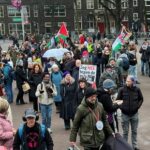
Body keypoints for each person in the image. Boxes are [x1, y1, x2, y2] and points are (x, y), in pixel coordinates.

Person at [116, 75, 143, 150]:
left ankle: (134, 146)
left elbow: (141, 99)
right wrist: (122, 108)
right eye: (126, 81)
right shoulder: (121, 90)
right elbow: (117, 101)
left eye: (128, 81)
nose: (126, 82)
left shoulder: (137, 89)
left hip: (135, 114)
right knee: (125, 132)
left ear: (132, 82)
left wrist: (137, 107)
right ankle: (125, 147)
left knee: (134, 131)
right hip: (125, 115)